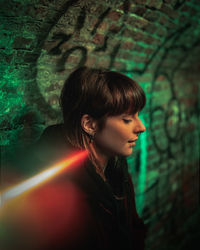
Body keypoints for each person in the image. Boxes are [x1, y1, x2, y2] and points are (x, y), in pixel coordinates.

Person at [2, 67, 147, 250]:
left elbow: (133, 227)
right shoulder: (54, 187)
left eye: (138, 115)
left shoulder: (116, 165)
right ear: (89, 124)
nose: (141, 127)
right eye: (127, 119)